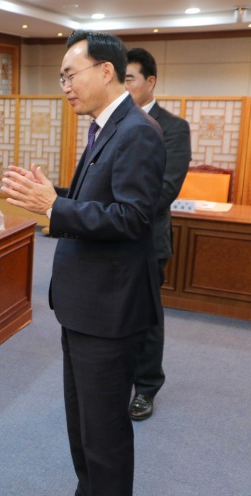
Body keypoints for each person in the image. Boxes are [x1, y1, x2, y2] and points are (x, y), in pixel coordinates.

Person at [1, 30, 165, 496]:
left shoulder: (136, 132)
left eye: (70, 75)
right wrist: (57, 199)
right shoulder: (105, 127)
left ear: (106, 71)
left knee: (105, 432)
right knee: (84, 423)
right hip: (87, 305)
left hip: (110, 311)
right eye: (61, 78)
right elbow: (101, 203)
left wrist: (55, 206)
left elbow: (133, 218)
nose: (65, 86)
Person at [125, 47, 192, 421]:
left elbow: (165, 190)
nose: (124, 85)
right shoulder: (110, 124)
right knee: (116, 316)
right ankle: (117, 380)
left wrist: (113, 213)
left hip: (148, 240)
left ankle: (146, 387)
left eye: (130, 78)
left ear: (150, 82)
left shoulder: (173, 127)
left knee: (147, 317)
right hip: (110, 239)